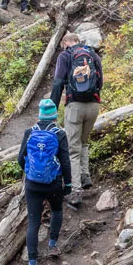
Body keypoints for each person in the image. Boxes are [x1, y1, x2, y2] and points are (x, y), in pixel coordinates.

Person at [17, 98, 72, 265]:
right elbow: (65, 161)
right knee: (56, 209)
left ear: (39, 115)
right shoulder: (59, 133)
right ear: (55, 116)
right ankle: (52, 245)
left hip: (32, 184)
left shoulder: (29, 132)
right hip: (53, 183)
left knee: (33, 222)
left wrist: (29, 172)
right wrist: (68, 183)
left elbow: (20, 158)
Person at [50, 32, 103, 209]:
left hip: (75, 106)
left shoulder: (65, 55)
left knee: (72, 149)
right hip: (94, 105)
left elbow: (58, 83)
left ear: (66, 42)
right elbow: (100, 80)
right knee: (83, 142)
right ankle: (85, 176)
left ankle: (75, 192)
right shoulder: (92, 54)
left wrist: (53, 108)